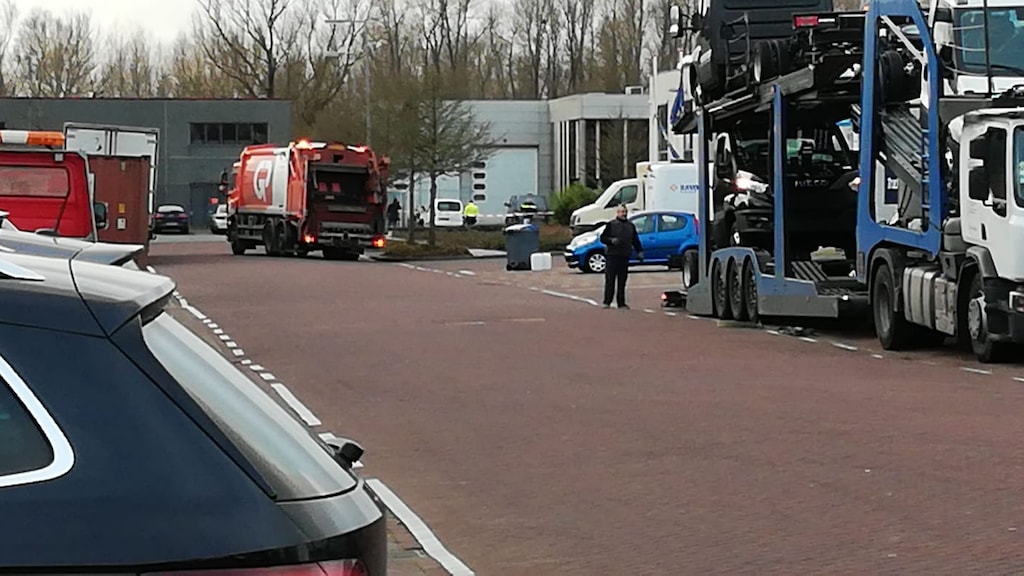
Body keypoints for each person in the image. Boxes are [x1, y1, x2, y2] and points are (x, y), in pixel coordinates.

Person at [599, 205, 643, 309]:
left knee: (622, 281)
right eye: (622, 212)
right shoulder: (611, 224)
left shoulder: (630, 226)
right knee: (610, 280)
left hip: (624, 255)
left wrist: (640, 251)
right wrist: (611, 241)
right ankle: (607, 301)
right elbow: (602, 238)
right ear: (617, 213)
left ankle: (621, 303)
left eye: (625, 211)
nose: (624, 214)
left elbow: (635, 240)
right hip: (612, 256)